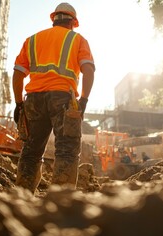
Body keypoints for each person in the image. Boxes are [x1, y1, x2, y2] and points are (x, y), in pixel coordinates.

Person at [12, 2, 95, 194]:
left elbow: (18, 74)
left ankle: (22, 197)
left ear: (54, 19)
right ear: (73, 22)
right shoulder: (77, 40)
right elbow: (88, 70)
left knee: (31, 151)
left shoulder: (32, 40)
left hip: (33, 99)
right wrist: (83, 100)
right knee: (66, 150)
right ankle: (61, 201)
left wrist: (18, 104)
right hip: (63, 99)